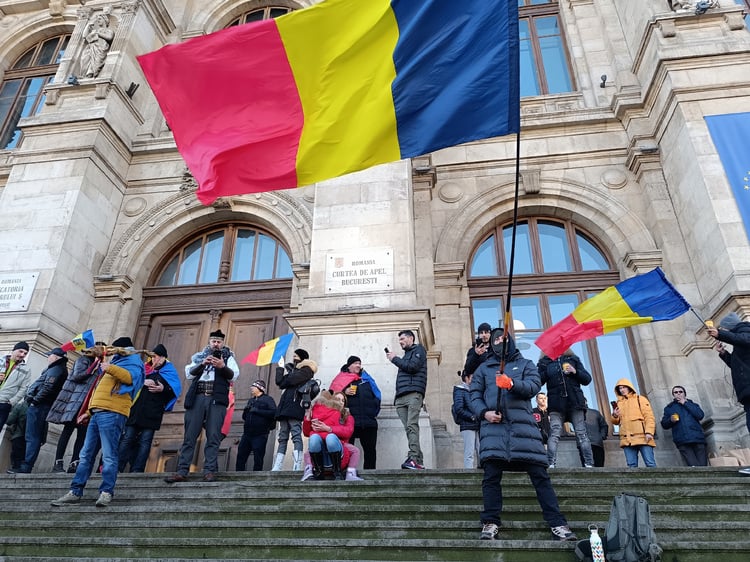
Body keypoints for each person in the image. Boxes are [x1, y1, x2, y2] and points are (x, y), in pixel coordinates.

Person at [470, 328, 576, 542]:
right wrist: (485, 413)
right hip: (494, 432)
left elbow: (534, 386)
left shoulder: (526, 364)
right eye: (496, 338)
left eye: (503, 338)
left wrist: (511, 384)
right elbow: (474, 395)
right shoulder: (483, 369)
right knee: (491, 478)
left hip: (524, 431)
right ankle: (490, 522)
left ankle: (557, 523)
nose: (500, 341)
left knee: (541, 478)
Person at [51, 337, 144, 507]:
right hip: (97, 413)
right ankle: (75, 490)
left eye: (112, 348)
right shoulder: (114, 362)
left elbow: (131, 378)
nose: (109, 351)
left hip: (114, 412)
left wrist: (110, 368)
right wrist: (88, 411)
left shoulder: (133, 360)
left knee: (109, 454)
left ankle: (106, 492)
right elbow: (98, 390)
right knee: (85, 455)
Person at [165, 329, 239, 483]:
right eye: (214, 341)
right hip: (197, 398)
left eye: (219, 342)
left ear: (222, 343)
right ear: (209, 342)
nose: (216, 344)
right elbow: (189, 374)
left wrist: (222, 366)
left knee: (213, 436)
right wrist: (202, 363)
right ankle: (182, 470)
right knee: (190, 436)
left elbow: (235, 375)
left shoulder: (228, 357)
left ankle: (209, 471)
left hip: (216, 400)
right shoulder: (199, 356)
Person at [118, 344, 181, 473]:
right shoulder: (144, 369)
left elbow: (175, 389)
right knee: (127, 438)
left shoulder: (169, 371)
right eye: (153, 357)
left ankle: (137, 470)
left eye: (157, 357)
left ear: (164, 358)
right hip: (136, 410)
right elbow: (132, 382)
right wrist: (142, 382)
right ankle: (117, 467)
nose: (154, 359)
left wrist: (163, 388)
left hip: (153, 412)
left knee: (145, 441)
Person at [47, 342, 106, 473]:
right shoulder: (84, 360)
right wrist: (93, 368)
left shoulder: (99, 365)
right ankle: (58, 462)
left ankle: (74, 463)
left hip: (86, 405)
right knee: (67, 431)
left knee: (82, 435)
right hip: (74, 403)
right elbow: (77, 375)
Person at [537, 350, 595, 468]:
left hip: (575, 402)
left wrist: (575, 372)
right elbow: (538, 381)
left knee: (581, 433)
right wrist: (547, 372)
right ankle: (551, 463)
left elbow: (587, 379)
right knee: (554, 433)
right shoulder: (544, 363)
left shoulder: (573, 359)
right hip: (556, 404)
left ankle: (589, 463)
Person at [15, 347, 68, 473]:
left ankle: (26, 466)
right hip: (40, 405)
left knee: (32, 436)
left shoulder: (56, 369)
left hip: (40, 406)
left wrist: (35, 401)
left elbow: (48, 387)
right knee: (32, 435)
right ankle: (25, 465)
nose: (48, 357)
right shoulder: (56, 368)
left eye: (50, 355)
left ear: (56, 357)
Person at [330, 355, 381, 469]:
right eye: (355, 363)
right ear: (349, 366)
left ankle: (370, 474)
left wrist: (373, 411)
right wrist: (344, 391)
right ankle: (346, 473)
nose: (358, 365)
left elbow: (377, 395)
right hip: (349, 422)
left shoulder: (366, 379)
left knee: (370, 451)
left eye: (359, 363)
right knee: (347, 450)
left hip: (368, 421)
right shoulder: (341, 379)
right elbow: (332, 398)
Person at [386, 329, 427, 470]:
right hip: (401, 397)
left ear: (411, 338)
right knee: (409, 429)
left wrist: (394, 359)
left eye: (403, 339)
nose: (400, 342)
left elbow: (412, 367)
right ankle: (417, 460)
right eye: (399, 340)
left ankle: (414, 457)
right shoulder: (406, 355)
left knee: (411, 426)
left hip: (413, 394)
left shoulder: (419, 350)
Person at [272, 348, 316, 471]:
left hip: (295, 406)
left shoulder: (306, 370)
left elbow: (289, 381)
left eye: (296, 356)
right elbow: (280, 382)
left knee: (296, 435)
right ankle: (277, 465)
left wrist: (289, 373)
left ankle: (297, 465)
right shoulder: (294, 371)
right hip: (285, 407)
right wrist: (280, 367)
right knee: (283, 436)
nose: (293, 358)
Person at [708, 312, 750, 436]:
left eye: (725, 329)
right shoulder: (739, 341)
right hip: (746, 391)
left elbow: (744, 339)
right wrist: (724, 354)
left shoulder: (746, 331)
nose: (724, 330)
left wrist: (720, 334)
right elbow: (737, 365)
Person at [302, 390, 354, 480]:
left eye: (343, 401)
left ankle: (340, 472)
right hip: (322, 448)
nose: (340, 402)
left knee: (331, 438)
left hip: (339, 448)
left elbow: (348, 431)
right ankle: (316, 471)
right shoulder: (321, 411)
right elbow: (307, 433)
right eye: (338, 399)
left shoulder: (347, 416)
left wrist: (328, 428)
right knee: (313, 439)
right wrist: (308, 417)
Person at [611, 378, 657, 468]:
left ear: (629, 387)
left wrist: (649, 432)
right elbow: (615, 422)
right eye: (620, 388)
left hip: (643, 437)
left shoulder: (640, 399)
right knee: (631, 466)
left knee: (650, 464)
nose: (622, 390)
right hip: (627, 439)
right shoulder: (619, 403)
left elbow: (649, 417)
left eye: (624, 387)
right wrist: (615, 415)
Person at [236, 379, 277, 472]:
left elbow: (274, 412)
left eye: (253, 387)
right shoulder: (251, 400)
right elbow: (244, 417)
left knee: (258, 457)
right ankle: (238, 475)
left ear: (260, 388)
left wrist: (257, 411)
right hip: (247, 434)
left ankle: (256, 477)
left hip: (260, 434)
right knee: (241, 456)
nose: (251, 388)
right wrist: (246, 411)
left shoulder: (268, 399)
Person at [660, 386, 707, 467]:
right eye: (676, 392)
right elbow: (664, 424)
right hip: (682, 440)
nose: (678, 393)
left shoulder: (693, 404)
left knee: (703, 466)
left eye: (680, 392)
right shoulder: (669, 408)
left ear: (684, 393)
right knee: (693, 466)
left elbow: (700, 415)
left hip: (697, 438)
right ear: (673, 395)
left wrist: (685, 403)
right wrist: (670, 420)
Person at [0, 341, 33, 430]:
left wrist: (11, 402)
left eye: (25, 353)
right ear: (14, 350)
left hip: (4, 404)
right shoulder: (1, 360)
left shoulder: (26, 369)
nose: (22, 355)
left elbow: (24, 389)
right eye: (20, 351)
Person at [452, 370, 479, 469]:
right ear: (466, 378)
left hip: (477, 424)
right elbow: (459, 409)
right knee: (469, 451)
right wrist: (472, 417)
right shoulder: (460, 390)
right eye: (472, 377)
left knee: (481, 450)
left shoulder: (475, 390)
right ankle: (469, 471)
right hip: (467, 425)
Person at [80, 13, 114, 78]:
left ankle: (91, 75)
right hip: (90, 48)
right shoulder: (94, 31)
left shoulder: (109, 31)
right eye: (97, 19)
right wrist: (88, 25)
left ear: (105, 20)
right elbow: (84, 36)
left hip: (101, 48)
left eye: (100, 19)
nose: (98, 21)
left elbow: (110, 38)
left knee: (97, 62)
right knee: (85, 60)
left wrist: (98, 34)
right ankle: (86, 75)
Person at [576, 402, 608, 467]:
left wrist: (601, 436)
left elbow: (604, 426)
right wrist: (601, 436)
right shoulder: (595, 413)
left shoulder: (575, 414)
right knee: (599, 466)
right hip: (596, 442)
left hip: (585, 443)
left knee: (587, 467)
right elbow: (604, 426)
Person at [5, 401, 28, 472]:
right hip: (31, 440)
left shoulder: (21, 406)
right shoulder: (41, 408)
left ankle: (16, 469)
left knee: (16, 458)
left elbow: (9, 421)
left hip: (18, 435)